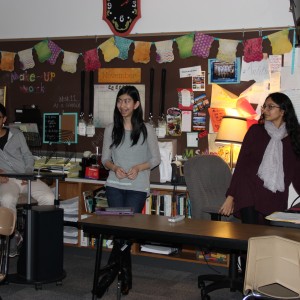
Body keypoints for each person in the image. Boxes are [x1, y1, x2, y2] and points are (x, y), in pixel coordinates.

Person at [219, 92, 300, 273]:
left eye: (270, 106)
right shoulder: (256, 131)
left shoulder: (293, 138)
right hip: (248, 191)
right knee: (251, 238)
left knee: (268, 238)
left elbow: (296, 172)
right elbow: (241, 166)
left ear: (284, 110)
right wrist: (231, 196)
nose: (265, 110)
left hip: (274, 195)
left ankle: (262, 278)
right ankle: (248, 280)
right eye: (264, 106)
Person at [99, 85, 161, 297]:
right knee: (120, 231)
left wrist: (138, 168)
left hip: (137, 187)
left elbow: (155, 159)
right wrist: (114, 167)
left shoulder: (146, 129)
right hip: (114, 185)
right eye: (120, 101)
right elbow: (104, 159)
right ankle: (124, 276)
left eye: (127, 101)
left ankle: (108, 274)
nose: (122, 105)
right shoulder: (111, 129)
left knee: (123, 232)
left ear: (136, 105)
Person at [0, 103, 55, 256]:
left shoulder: (16, 134)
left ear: (4, 119)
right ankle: (10, 242)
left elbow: (28, 157)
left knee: (49, 197)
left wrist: (27, 173)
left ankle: (40, 241)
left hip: (26, 177)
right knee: (7, 199)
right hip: (6, 180)